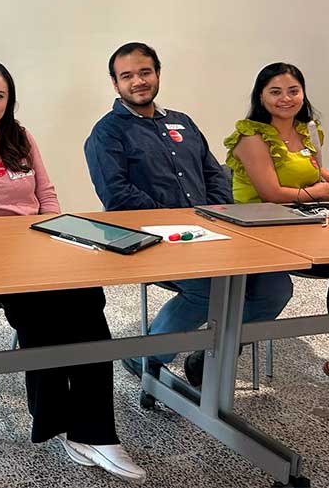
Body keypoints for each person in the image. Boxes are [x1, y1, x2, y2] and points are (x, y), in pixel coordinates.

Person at [0, 60, 146, 483]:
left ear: (8, 102)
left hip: (42, 244)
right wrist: (4, 251)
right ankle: (65, 425)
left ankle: (94, 430)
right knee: (42, 314)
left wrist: (54, 241)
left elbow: (46, 196)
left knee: (86, 299)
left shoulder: (20, 137)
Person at [84, 42, 293, 401]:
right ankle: (145, 356)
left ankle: (211, 352)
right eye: (127, 75)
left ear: (157, 74)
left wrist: (215, 215)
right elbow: (117, 196)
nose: (138, 81)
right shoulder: (107, 132)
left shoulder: (183, 121)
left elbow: (214, 174)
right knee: (209, 288)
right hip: (153, 240)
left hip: (209, 232)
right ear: (115, 83)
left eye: (145, 72)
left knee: (276, 286)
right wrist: (178, 221)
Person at [224, 62, 329, 404]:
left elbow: (315, 170)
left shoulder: (307, 131)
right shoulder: (251, 136)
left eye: (293, 91)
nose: (286, 98)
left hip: (304, 223)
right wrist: (315, 193)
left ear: (303, 94)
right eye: (275, 91)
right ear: (261, 96)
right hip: (263, 232)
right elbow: (272, 193)